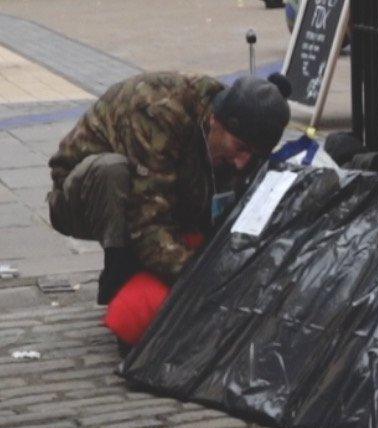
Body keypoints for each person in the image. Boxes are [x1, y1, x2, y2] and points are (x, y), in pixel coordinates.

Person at [47, 72, 291, 305]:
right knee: (112, 171)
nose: (242, 162)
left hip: (150, 187)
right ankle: (118, 271)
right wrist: (200, 278)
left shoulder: (230, 120)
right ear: (215, 121)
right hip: (80, 197)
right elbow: (147, 224)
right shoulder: (158, 112)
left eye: (253, 154)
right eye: (240, 148)